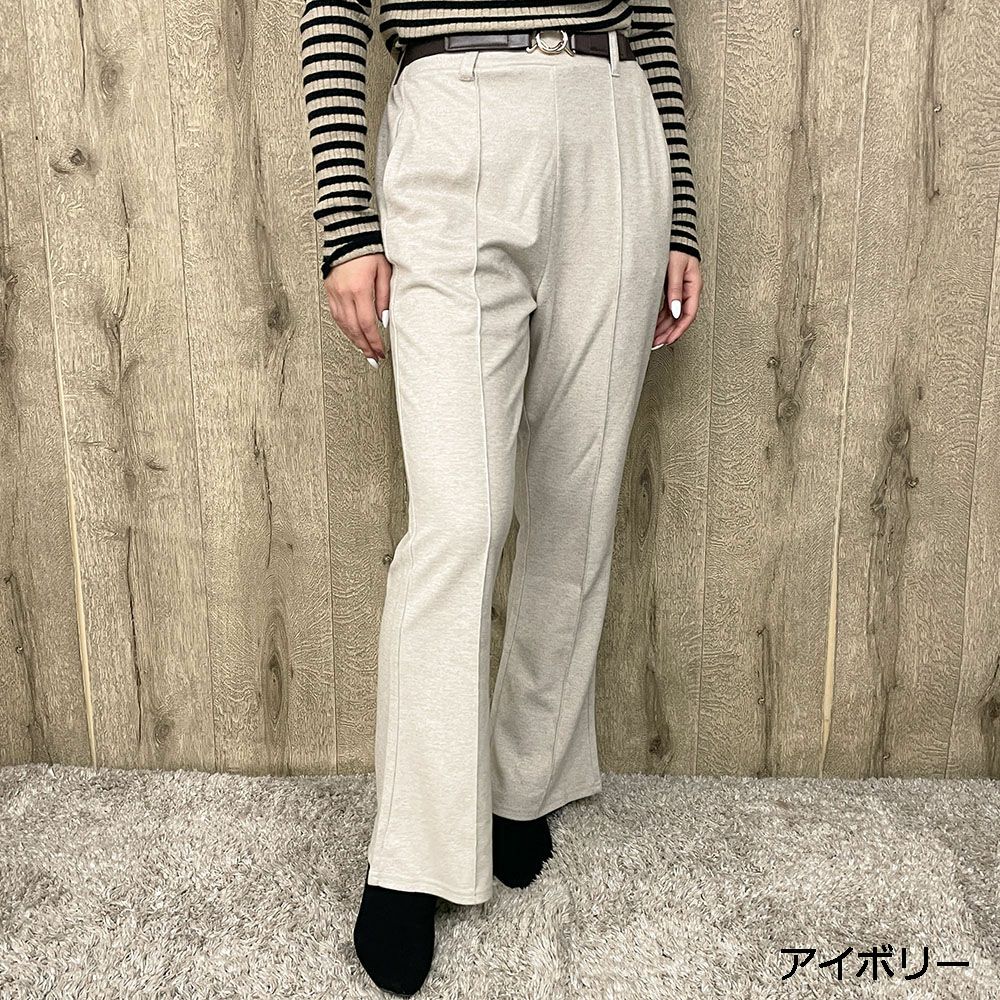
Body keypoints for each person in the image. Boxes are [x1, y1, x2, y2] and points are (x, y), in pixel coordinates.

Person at [299, 2, 702, 994]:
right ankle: (413, 853)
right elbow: (332, 12)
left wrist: (681, 219)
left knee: (577, 495)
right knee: (460, 520)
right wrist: (347, 226)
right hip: (452, 109)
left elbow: (652, 22)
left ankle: (527, 779)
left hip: (611, 117)